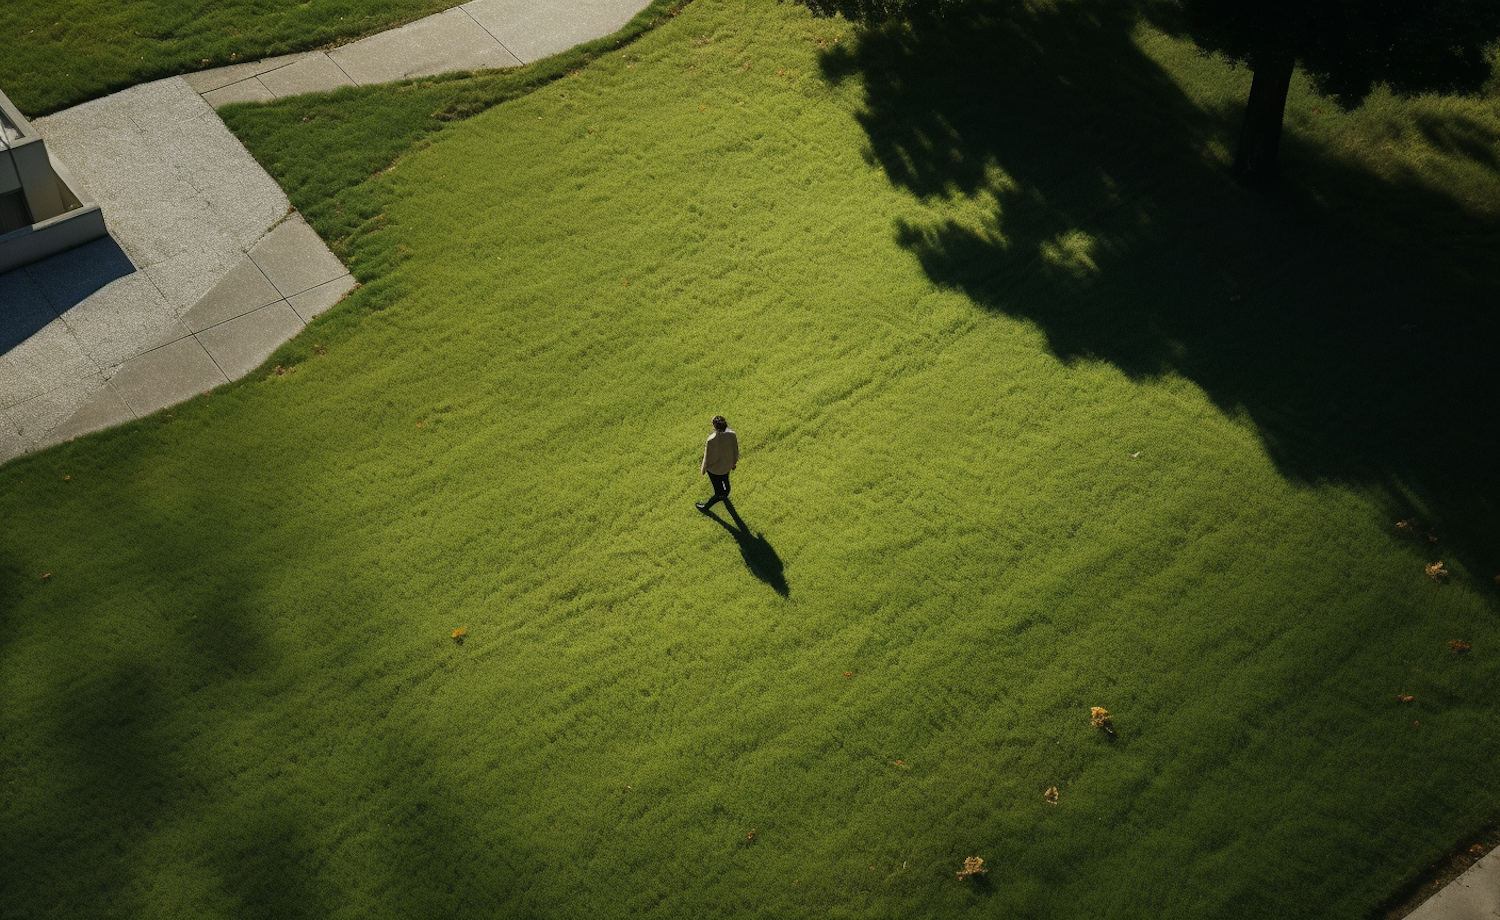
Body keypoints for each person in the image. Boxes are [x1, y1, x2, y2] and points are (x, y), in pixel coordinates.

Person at [696, 415, 739, 512]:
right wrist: (733, 463)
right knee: (725, 486)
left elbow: (707, 457)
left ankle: (705, 508)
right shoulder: (732, 434)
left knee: (718, 492)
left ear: (714, 426)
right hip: (726, 466)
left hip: (713, 470)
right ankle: (723, 496)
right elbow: (735, 450)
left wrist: (703, 469)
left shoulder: (711, 440)